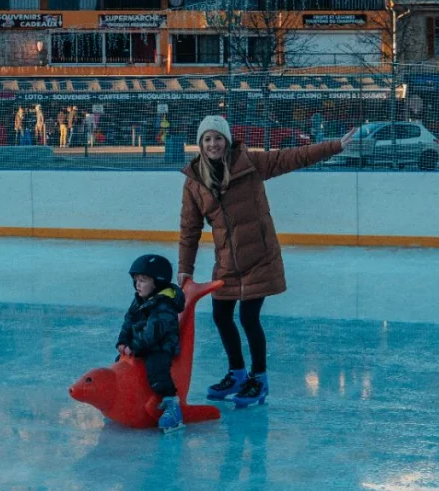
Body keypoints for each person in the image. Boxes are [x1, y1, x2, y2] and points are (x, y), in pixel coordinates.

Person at [178, 115, 353, 407]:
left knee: (248, 318)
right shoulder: (195, 181)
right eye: (207, 139)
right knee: (221, 315)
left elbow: (292, 157)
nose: (213, 144)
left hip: (260, 257)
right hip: (227, 262)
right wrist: (185, 268)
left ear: (227, 140)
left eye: (218, 138)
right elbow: (189, 229)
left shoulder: (249, 164)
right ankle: (236, 373)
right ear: (200, 144)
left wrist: (333, 146)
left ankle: (259, 379)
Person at [116, 254, 185, 433]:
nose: (138, 284)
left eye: (143, 280)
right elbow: (129, 321)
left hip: (161, 346)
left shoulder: (164, 304)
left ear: (157, 283)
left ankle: (172, 406)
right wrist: (123, 341)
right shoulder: (139, 299)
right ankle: (126, 399)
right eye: (136, 280)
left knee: (156, 369)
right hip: (141, 344)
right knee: (120, 362)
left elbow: (153, 333)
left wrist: (135, 346)